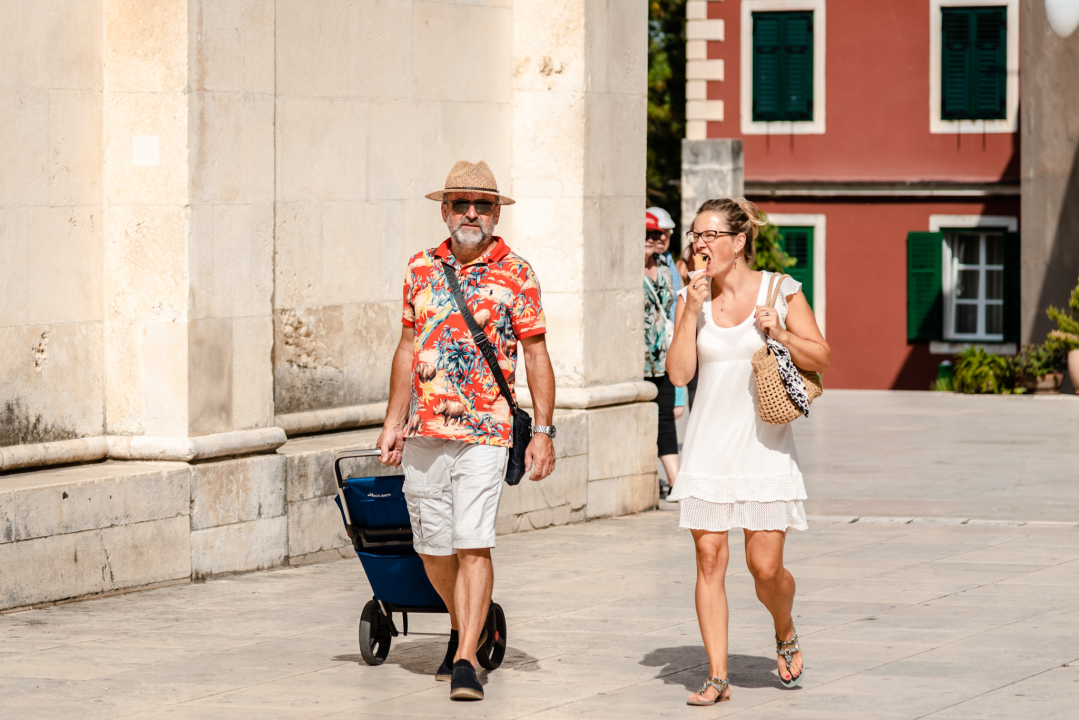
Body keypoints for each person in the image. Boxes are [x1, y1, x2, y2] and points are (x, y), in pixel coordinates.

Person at [378, 160, 557, 702]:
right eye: (461, 203)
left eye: (482, 204)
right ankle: (467, 626)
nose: (471, 213)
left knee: (473, 541)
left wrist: (545, 429)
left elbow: (535, 353)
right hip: (425, 431)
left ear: (497, 213)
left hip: (487, 429)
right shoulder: (420, 268)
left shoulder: (517, 272)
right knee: (433, 548)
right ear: (445, 210)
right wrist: (392, 420)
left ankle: (464, 660)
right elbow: (408, 348)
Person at [666, 198, 831, 706]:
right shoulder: (690, 298)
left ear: (738, 243)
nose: (699, 244)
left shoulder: (781, 290)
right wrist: (689, 310)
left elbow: (822, 355)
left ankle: (784, 625)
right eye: (696, 235)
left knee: (765, 568)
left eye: (711, 234)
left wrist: (777, 331)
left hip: (764, 450)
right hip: (709, 449)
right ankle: (717, 677)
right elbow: (678, 375)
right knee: (709, 558)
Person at [644, 211, 679, 500]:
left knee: (666, 417)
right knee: (649, 420)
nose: (652, 240)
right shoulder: (629, 269)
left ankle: (676, 481)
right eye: (647, 234)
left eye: (656, 235)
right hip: (637, 360)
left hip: (662, 355)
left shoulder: (665, 266)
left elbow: (670, 309)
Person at [646, 206, 687, 423]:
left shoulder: (669, 263)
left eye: (665, 233)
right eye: (652, 233)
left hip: (671, 345)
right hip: (650, 353)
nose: (660, 238)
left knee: (675, 411)